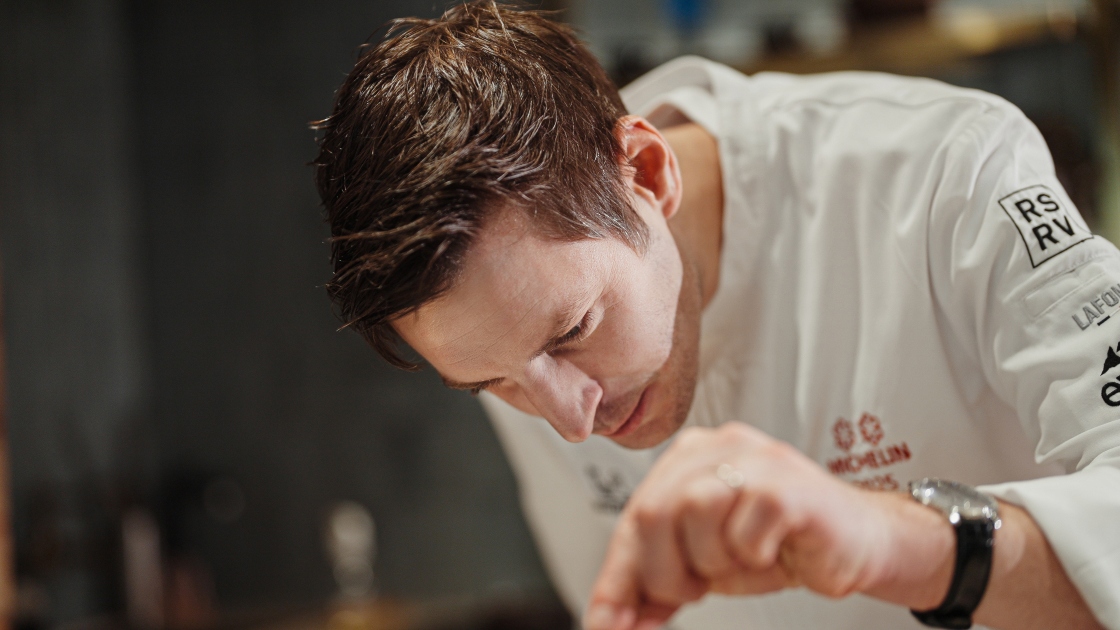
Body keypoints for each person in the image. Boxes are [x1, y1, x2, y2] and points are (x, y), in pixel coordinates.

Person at [312, 2, 1118, 629]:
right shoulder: (517, 328)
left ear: (649, 174)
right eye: (490, 384)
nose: (568, 421)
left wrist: (889, 541)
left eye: (576, 333)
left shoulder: (946, 172)